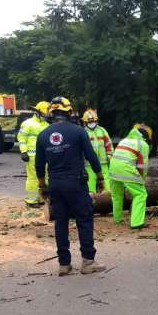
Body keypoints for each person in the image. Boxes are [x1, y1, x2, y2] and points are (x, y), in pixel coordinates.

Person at [35, 97, 106, 276]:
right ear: (68, 112)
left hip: (56, 184)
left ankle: (64, 264)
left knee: (61, 222)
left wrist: (43, 186)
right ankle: (88, 261)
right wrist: (99, 177)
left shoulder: (43, 135)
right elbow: (91, 156)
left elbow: (38, 164)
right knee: (84, 219)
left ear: (52, 113)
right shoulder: (78, 131)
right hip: (75, 183)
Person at [110, 123, 152, 230]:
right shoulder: (143, 144)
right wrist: (142, 180)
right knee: (140, 194)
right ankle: (137, 222)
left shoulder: (124, 140)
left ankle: (117, 219)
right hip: (126, 169)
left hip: (113, 169)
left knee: (117, 195)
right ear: (146, 138)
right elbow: (143, 166)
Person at [18, 101, 50, 207]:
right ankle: (31, 201)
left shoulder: (47, 125)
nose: (45, 117)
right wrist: (23, 152)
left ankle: (41, 199)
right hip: (32, 156)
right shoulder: (27, 124)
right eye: (44, 114)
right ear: (37, 112)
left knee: (44, 177)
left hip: (45, 156)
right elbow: (21, 138)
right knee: (33, 178)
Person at [81, 109, 113, 194]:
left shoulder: (102, 130)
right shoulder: (83, 132)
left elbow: (108, 143)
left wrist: (109, 154)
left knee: (106, 182)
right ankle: (92, 198)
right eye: (89, 122)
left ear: (96, 120)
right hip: (89, 163)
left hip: (103, 162)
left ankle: (107, 198)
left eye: (93, 121)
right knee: (90, 182)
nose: (91, 123)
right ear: (85, 122)